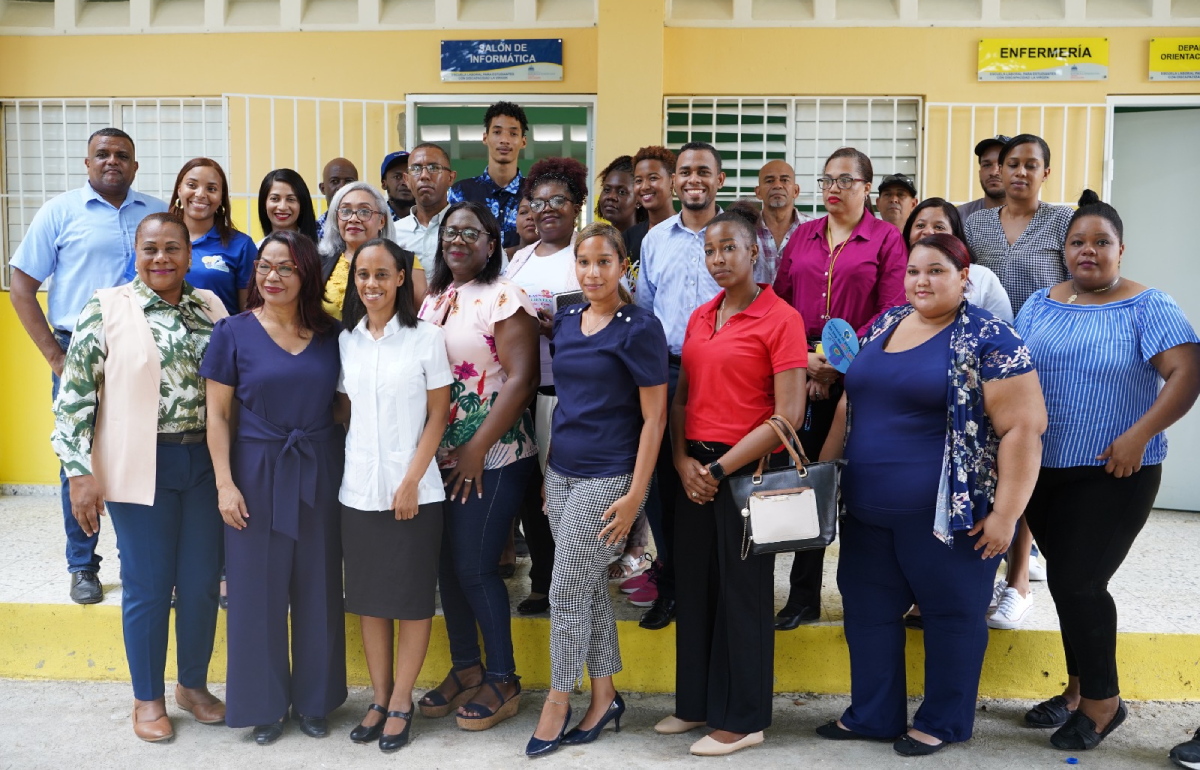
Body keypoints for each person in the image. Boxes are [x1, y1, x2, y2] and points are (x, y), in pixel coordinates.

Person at [817, 232, 1046, 757]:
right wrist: (824, 475)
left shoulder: (991, 338)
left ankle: (943, 720)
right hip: (868, 508)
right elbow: (849, 405)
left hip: (949, 514)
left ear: (965, 278)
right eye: (914, 270)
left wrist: (1007, 515)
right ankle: (872, 714)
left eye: (937, 271)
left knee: (951, 615)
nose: (922, 281)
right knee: (867, 611)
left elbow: (1023, 430)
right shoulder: (885, 323)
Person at [1016, 192, 1200, 752]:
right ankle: (1075, 692)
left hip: (1116, 471)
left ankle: (1103, 704)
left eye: (1101, 242)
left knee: (1079, 582)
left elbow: (1187, 373)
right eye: (1077, 242)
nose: (1088, 251)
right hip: (1042, 471)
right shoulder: (1040, 303)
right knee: (1072, 589)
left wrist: (1138, 435)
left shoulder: (1148, 306)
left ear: (1121, 249)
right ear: (1064, 250)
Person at [51, 212, 228, 741]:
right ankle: (147, 698)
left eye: (173, 248)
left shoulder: (211, 307)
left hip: (204, 463)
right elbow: (74, 398)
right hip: (139, 463)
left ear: (189, 255)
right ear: (136, 253)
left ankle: (192, 686)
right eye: (150, 249)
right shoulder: (106, 308)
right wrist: (78, 472)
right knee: (150, 586)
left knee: (199, 585)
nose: (161, 258)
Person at [654, 205, 807, 757]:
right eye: (710, 250)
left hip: (745, 471)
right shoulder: (700, 316)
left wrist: (719, 469)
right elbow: (681, 398)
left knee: (742, 594)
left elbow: (788, 415)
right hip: (692, 467)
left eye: (729, 249)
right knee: (695, 586)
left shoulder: (780, 317)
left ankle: (743, 718)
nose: (718, 259)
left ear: (753, 253)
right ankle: (695, 703)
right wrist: (680, 461)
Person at [525, 223, 668, 757]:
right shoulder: (565, 320)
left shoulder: (639, 328)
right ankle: (606, 695)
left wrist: (636, 496)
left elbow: (654, 421)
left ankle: (559, 698)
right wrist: (548, 471)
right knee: (584, 586)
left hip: (611, 478)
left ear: (623, 265)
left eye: (603, 262)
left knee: (564, 587)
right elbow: (567, 402)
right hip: (562, 471)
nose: (592, 272)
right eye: (583, 262)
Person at [9, 126, 167, 605]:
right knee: (77, 459)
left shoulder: (155, 213)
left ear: (135, 167)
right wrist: (55, 357)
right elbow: (21, 286)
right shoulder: (60, 213)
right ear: (87, 163)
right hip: (77, 349)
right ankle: (83, 565)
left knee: (144, 452)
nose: (111, 161)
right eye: (102, 154)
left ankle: (145, 564)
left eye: (122, 155)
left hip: (142, 350)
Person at [202, 231, 347, 745]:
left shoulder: (332, 334)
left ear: (306, 273)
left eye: (286, 268)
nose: (273, 277)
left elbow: (347, 404)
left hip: (318, 468)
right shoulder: (232, 332)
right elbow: (217, 415)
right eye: (265, 266)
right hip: (254, 471)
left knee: (319, 585)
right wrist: (224, 484)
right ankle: (264, 706)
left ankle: (315, 700)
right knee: (255, 592)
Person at [415, 201, 540, 731]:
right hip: (439, 459)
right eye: (450, 232)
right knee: (446, 567)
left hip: (497, 456)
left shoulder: (504, 295)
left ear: (493, 243)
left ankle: (504, 677)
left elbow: (521, 378)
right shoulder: (435, 300)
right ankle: (467, 667)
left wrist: (476, 449)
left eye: (472, 232)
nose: (458, 240)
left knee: (475, 566)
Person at [772, 146, 908, 631]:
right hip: (801, 368)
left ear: (867, 187)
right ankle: (803, 594)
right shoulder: (803, 236)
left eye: (845, 180)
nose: (834, 188)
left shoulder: (887, 239)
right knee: (807, 481)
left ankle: (864, 595)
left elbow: (894, 311)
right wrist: (805, 364)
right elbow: (780, 304)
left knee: (858, 489)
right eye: (827, 180)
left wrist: (837, 365)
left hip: (863, 376)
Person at [337, 238, 452, 753]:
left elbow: (439, 415)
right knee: (369, 602)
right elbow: (345, 411)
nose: (372, 284)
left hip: (416, 492)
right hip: (358, 490)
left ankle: (403, 699)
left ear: (401, 278)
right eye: (363, 275)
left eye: (382, 274)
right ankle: (379, 698)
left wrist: (411, 478)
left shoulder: (426, 338)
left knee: (408, 603)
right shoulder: (347, 341)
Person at [964, 133, 1072, 629]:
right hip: (983, 364)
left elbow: (1081, 282)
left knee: (1023, 467)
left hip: (1043, 359)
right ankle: (985, 573)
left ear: (1045, 173)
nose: (1020, 172)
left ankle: (1020, 582)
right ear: (999, 170)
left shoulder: (1063, 222)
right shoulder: (974, 224)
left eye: (1032, 164)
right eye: (1013, 163)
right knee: (989, 468)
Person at [632, 141, 725, 631]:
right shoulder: (655, 240)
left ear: (719, 181)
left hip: (722, 376)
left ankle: (709, 586)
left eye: (703, 172)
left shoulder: (738, 236)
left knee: (713, 480)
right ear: (674, 181)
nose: (693, 179)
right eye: (685, 171)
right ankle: (670, 588)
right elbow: (646, 314)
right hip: (666, 372)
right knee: (662, 486)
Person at [502, 156, 593, 616]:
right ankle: (542, 579)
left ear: (577, 205)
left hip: (563, 392)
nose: (547, 209)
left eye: (558, 200)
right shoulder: (518, 257)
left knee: (560, 491)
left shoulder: (584, 255)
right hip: (518, 390)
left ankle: (571, 583)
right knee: (528, 489)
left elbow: (600, 320)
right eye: (538, 202)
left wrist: (555, 327)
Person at [129, 158, 256, 314]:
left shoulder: (241, 245)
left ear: (222, 196)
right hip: (156, 335)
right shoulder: (151, 237)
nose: (200, 194)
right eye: (192, 185)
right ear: (179, 189)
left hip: (219, 336)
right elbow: (130, 295)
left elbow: (249, 312)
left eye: (211, 188)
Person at [901, 198, 1012, 323]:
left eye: (939, 227)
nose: (928, 232)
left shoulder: (982, 278)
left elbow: (1003, 329)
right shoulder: (894, 271)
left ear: (955, 235)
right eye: (920, 225)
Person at [447, 101, 529, 248]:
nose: (504, 140)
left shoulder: (534, 193)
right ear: (485, 138)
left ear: (523, 141)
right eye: (497, 132)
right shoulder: (460, 193)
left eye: (513, 133)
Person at [317, 181, 402, 319]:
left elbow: (416, 318)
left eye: (364, 212)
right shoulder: (319, 262)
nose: (353, 218)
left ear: (382, 221)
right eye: (345, 211)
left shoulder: (405, 262)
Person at [395, 142, 456, 301]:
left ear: (451, 178)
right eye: (415, 169)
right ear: (407, 180)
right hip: (408, 322)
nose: (424, 175)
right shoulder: (392, 233)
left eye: (434, 168)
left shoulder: (469, 229)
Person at [623, 145, 677, 296]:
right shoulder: (628, 238)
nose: (644, 186)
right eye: (638, 180)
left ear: (673, 181)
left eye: (653, 178)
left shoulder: (687, 234)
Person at [753, 159, 813, 285]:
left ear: (796, 191)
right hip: (756, 304)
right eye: (769, 181)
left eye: (784, 180)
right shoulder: (745, 230)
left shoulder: (814, 230)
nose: (777, 185)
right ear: (758, 192)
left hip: (798, 305)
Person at [256, 168, 319, 244]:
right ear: (264, 204)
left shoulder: (319, 248)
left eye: (291, 199)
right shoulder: (257, 250)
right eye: (275, 198)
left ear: (302, 205)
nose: (282, 207)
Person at [957, 135, 1009, 221]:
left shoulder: (1035, 218)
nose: (993, 172)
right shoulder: (960, 216)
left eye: (1002, 164)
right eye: (987, 165)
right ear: (980, 172)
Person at [314, 157, 359, 240]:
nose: (342, 187)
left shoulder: (369, 228)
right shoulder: (313, 232)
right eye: (334, 181)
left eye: (349, 181)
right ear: (323, 189)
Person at [595, 155, 641, 233]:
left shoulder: (647, 242)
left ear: (638, 201)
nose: (611, 196)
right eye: (607, 190)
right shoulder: (600, 241)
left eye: (621, 192)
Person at [381, 150, 415, 221]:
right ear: (384, 184)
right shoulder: (375, 220)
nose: (405, 182)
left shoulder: (431, 220)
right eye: (397, 177)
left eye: (409, 176)